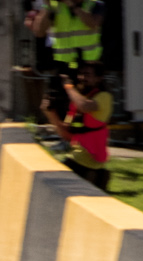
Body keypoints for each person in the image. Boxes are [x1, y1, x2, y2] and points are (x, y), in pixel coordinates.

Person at [42, 61, 114, 189]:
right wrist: (50, 112)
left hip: (90, 163)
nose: (82, 78)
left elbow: (85, 106)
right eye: (80, 74)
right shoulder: (77, 102)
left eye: (87, 75)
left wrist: (69, 87)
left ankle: (94, 177)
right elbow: (66, 134)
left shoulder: (104, 97)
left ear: (99, 78)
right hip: (75, 159)